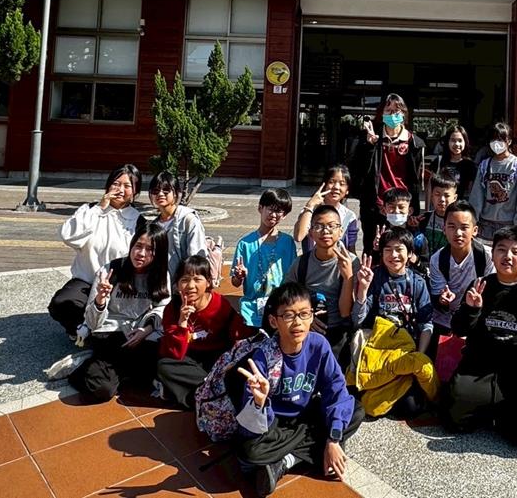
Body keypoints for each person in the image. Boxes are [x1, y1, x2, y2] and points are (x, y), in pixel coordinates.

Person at [236, 282, 364, 497]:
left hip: (305, 415)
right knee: (250, 451)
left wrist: (333, 438)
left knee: (355, 410)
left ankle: (284, 461)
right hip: (275, 423)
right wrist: (259, 402)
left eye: (304, 314)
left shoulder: (318, 345)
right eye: (288, 315)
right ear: (274, 321)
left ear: (312, 316)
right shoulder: (263, 357)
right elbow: (250, 427)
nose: (298, 322)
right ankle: (304, 455)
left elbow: (336, 390)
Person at [444, 226, 517, 452]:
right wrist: (471, 309)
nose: (508, 256)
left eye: (516, 252)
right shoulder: (479, 286)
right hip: (479, 368)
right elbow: (458, 328)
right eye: (501, 250)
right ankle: (495, 410)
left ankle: (503, 413)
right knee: (454, 420)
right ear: (493, 255)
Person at [69, 220, 171, 402]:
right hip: (110, 335)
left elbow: (162, 307)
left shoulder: (161, 275)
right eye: (138, 246)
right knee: (102, 390)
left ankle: (120, 371)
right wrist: (100, 299)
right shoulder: (110, 271)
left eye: (150, 249)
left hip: (140, 334)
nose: (141, 253)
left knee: (160, 370)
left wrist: (146, 329)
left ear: (159, 253)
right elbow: (92, 323)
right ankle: (83, 367)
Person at [49, 164, 142, 338]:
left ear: (135, 191)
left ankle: (99, 332)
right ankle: (80, 329)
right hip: (86, 282)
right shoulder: (90, 210)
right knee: (61, 303)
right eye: (116, 184)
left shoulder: (139, 222)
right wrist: (100, 208)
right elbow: (68, 236)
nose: (120, 190)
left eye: (127, 186)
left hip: (117, 287)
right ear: (108, 186)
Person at [156, 255, 252, 408]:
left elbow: (238, 338)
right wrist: (182, 323)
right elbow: (175, 354)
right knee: (164, 366)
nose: (190, 286)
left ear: (208, 282)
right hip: (188, 357)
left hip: (216, 357)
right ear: (177, 284)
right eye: (185, 280)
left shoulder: (220, 305)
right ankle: (214, 392)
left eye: (197, 279)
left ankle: (202, 395)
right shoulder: (172, 309)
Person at [349, 93, 426, 255]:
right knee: (372, 248)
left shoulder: (414, 143)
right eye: (388, 110)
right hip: (375, 205)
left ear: (404, 114)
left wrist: (415, 210)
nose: (392, 115)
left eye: (397, 111)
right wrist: (369, 146)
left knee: (400, 248)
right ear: (381, 113)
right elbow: (357, 170)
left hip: (401, 207)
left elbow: (415, 180)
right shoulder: (369, 139)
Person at [284, 205, 359, 358]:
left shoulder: (352, 262)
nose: (325, 231)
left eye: (332, 226)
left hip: (339, 333)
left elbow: (345, 312)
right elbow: (286, 297)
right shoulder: (301, 263)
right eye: (318, 226)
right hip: (307, 331)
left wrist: (348, 278)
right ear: (311, 232)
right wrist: (306, 318)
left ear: (341, 231)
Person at [352, 228, 433, 354]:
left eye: (399, 249)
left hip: (407, 346)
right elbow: (357, 321)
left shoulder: (417, 282)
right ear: (381, 253)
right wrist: (363, 288)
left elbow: (426, 324)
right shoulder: (373, 278)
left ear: (410, 253)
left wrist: (419, 355)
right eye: (388, 250)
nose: (394, 255)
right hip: (376, 345)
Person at [428, 200, 493, 350]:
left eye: (464, 228)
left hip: (477, 317)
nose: (458, 233)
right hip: (445, 320)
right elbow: (437, 297)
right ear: (444, 229)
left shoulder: (487, 256)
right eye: (452, 227)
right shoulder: (437, 259)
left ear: (475, 230)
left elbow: (492, 295)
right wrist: (443, 300)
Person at [232, 189, 298, 327]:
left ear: (284, 215)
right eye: (270, 209)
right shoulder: (245, 244)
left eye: (279, 211)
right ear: (260, 208)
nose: (273, 215)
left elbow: (293, 278)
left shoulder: (288, 242)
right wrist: (239, 276)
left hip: (280, 308)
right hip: (251, 309)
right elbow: (235, 283)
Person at [469, 122, 517, 241]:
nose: (496, 143)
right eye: (493, 139)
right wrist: (473, 220)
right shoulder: (484, 165)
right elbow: (477, 196)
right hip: (485, 224)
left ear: (509, 141)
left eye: (500, 139)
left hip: (509, 224)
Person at [148, 171, 208, 279]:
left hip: (183, 283)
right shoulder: (153, 225)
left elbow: (197, 258)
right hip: (160, 284)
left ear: (176, 193)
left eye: (166, 190)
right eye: (155, 191)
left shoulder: (188, 220)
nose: (160, 194)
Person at [294, 165, 359, 254]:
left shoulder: (349, 216)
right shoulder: (310, 211)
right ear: (324, 185)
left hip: (337, 262)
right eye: (331, 182)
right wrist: (310, 205)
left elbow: (351, 249)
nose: (336, 187)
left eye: (342, 184)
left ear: (347, 190)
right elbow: (298, 237)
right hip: (311, 261)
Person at [415, 174, 459, 262]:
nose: (442, 199)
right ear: (432, 196)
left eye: (446, 195)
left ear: (455, 198)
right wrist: (413, 227)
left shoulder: (458, 222)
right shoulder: (424, 218)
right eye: (437, 194)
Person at [437, 125, 477, 200]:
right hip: (442, 204)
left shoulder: (470, 165)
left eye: (460, 140)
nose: (457, 144)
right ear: (447, 141)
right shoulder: (439, 161)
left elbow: (472, 191)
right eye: (453, 140)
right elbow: (430, 187)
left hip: (461, 205)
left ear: (465, 142)